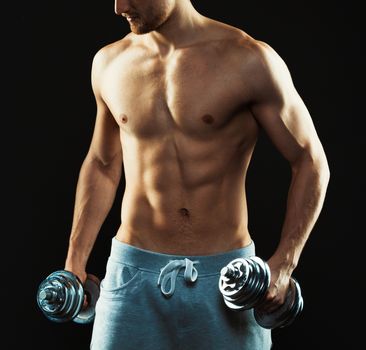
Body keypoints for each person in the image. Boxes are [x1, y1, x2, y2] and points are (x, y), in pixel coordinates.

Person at [64, 0, 330, 349]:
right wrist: (75, 262)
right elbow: (102, 164)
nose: (119, 7)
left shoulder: (248, 59)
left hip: (227, 281)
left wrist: (283, 264)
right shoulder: (110, 63)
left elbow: (310, 160)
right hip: (131, 279)